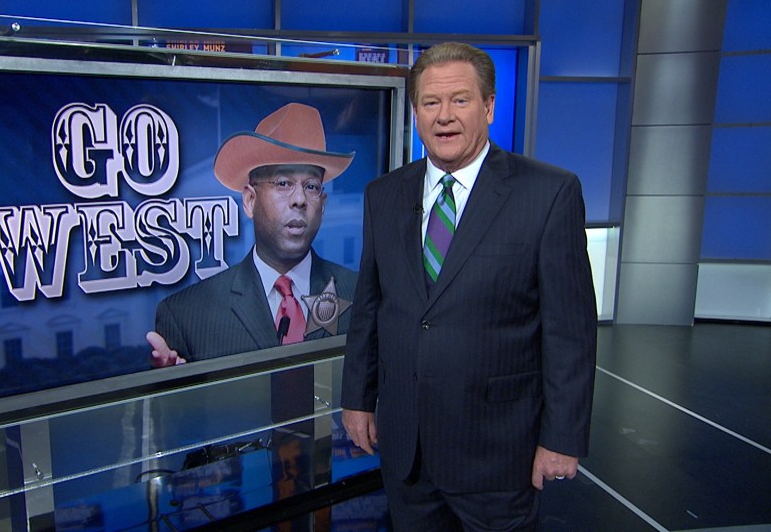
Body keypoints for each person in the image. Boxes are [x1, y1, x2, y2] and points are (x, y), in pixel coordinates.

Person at [341, 42, 598, 530]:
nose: (444, 116)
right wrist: (356, 398)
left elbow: (570, 332)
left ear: (489, 106)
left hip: (498, 452)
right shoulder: (384, 195)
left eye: (459, 100)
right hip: (407, 448)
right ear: (416, 111)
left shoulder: (548, 193)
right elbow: (370, 309)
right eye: (430, 102)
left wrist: (562, 437)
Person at [147, 102, 359, 366]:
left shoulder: (360, 295)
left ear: (323, 205)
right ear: (249, 201)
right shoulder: (186, 316)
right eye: (283, 183)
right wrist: (175, 389)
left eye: (311, 186)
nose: (300, 199)